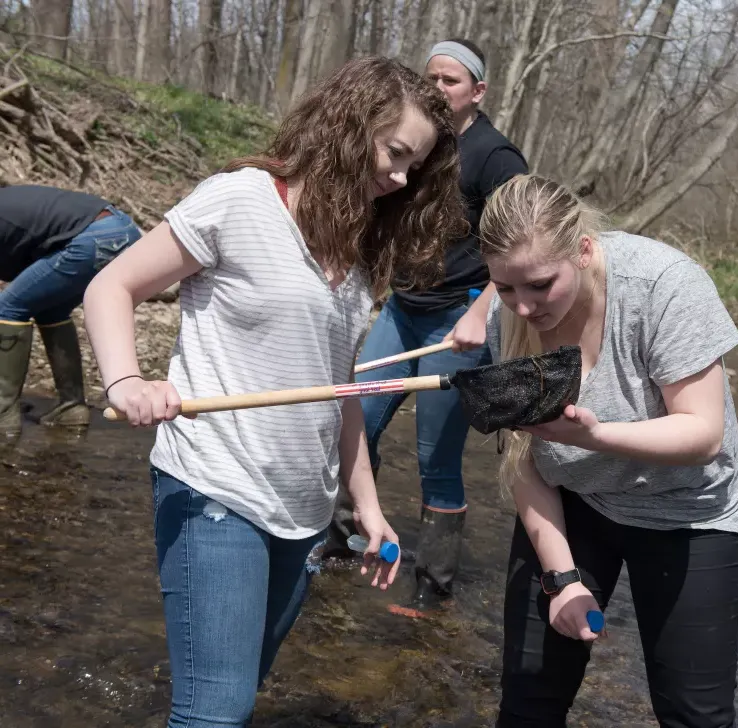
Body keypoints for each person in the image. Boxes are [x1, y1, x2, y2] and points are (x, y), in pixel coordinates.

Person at [81, 56, 465, 728]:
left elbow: (339, 391)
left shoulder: (357, 247)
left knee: (236, 695)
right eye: (395, 154)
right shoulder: (241, 199)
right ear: (349, 125)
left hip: (304, 512)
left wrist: (368, 507)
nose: (401, 178)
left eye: (415, 168)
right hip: (214, 487)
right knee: (215, 713)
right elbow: (112, 287)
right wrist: (127, 381)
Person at [478, 174, 738, 728]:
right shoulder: (503, 319)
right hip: (575, 503)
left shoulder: (663, 286)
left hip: (688, 512)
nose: (523, 308)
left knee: (694, 716)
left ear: (582, 250)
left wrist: (593, 435)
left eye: (539, 285)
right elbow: (521, 464)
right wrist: (561, 579)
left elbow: (703, 434)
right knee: (528, 705)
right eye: (505, 289)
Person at [327, 38, 528, 611]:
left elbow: (518, 246)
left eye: (451, 81)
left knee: (436, 457)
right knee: (355, 420)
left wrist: (483, 310)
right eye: (431, 78)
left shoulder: (495, 156)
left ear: (477, 92)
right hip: (402, 308)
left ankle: (431, 589)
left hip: (458, 318)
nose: (438, 88)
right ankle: (341, 544)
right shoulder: (417, 142)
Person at [0, 186, 142, 436]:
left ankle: (4, 414)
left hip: (91, 237)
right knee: (51, 311)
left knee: (8, 308)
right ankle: (71, 407)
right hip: (125, 232)